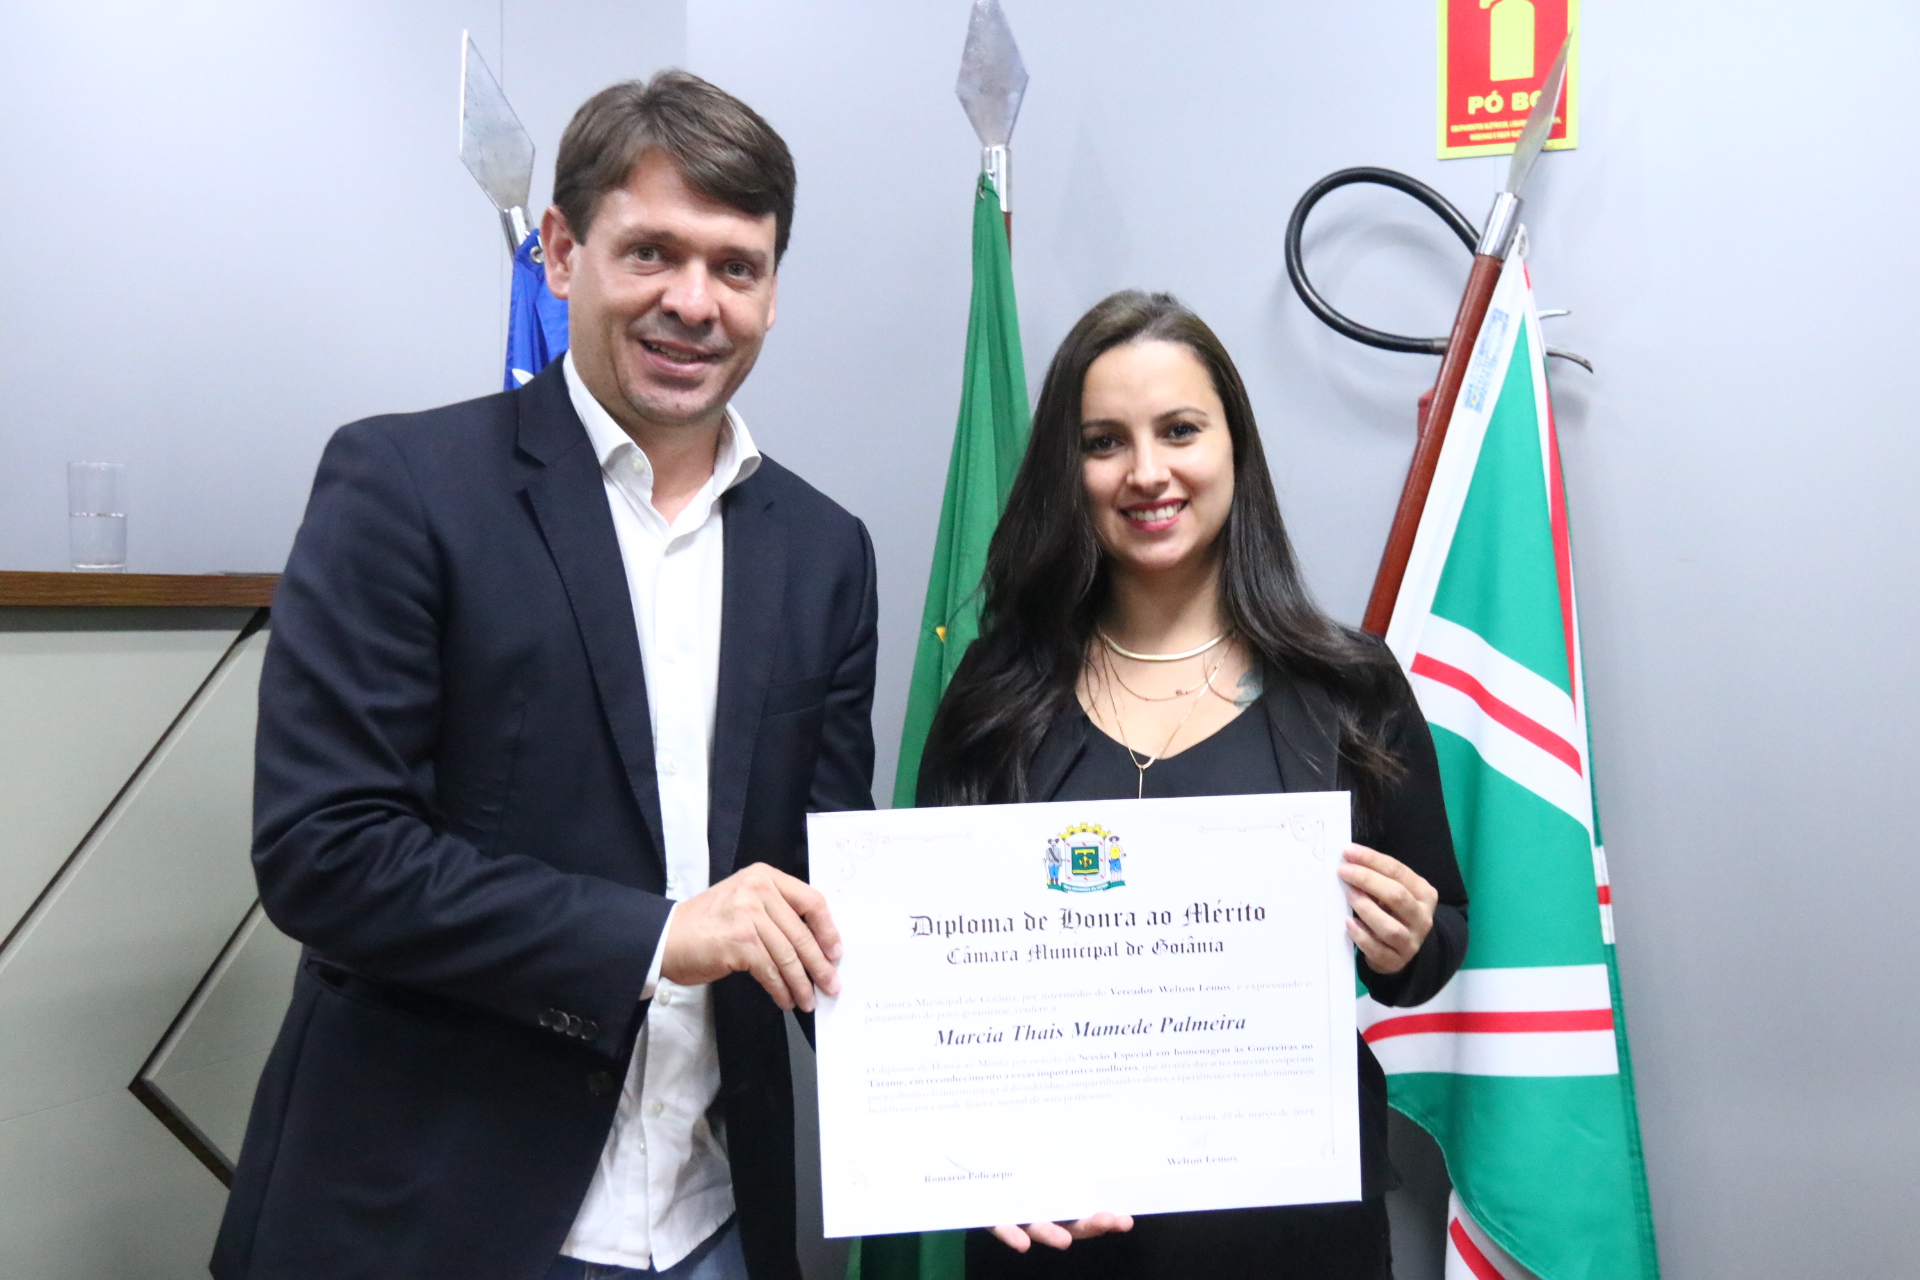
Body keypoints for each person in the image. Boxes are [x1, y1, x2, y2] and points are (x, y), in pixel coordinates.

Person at [213, 72, 875, 1280]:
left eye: (736, 266)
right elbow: (328, 851)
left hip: (713, 1224)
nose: (694, 302)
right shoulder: (405, 487)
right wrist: (660, 934)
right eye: (652, 252)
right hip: (435, 1223)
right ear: (563, 253)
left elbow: (823, 889)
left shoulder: (825, 551)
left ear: (774, 291)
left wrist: (1010, 1130)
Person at [917, 291, 1469, 1280]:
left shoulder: (1348, 684)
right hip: (1057, 1243)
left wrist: (1409, 937)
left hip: (1294, 1238)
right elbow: (926, 968)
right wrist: (979, 1157)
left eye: (1179, 430)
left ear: (1235, 449)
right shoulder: (996, 692)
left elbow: (1434, 943)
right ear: (1067, 469)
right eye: (1104, 442)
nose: (1146, 472)